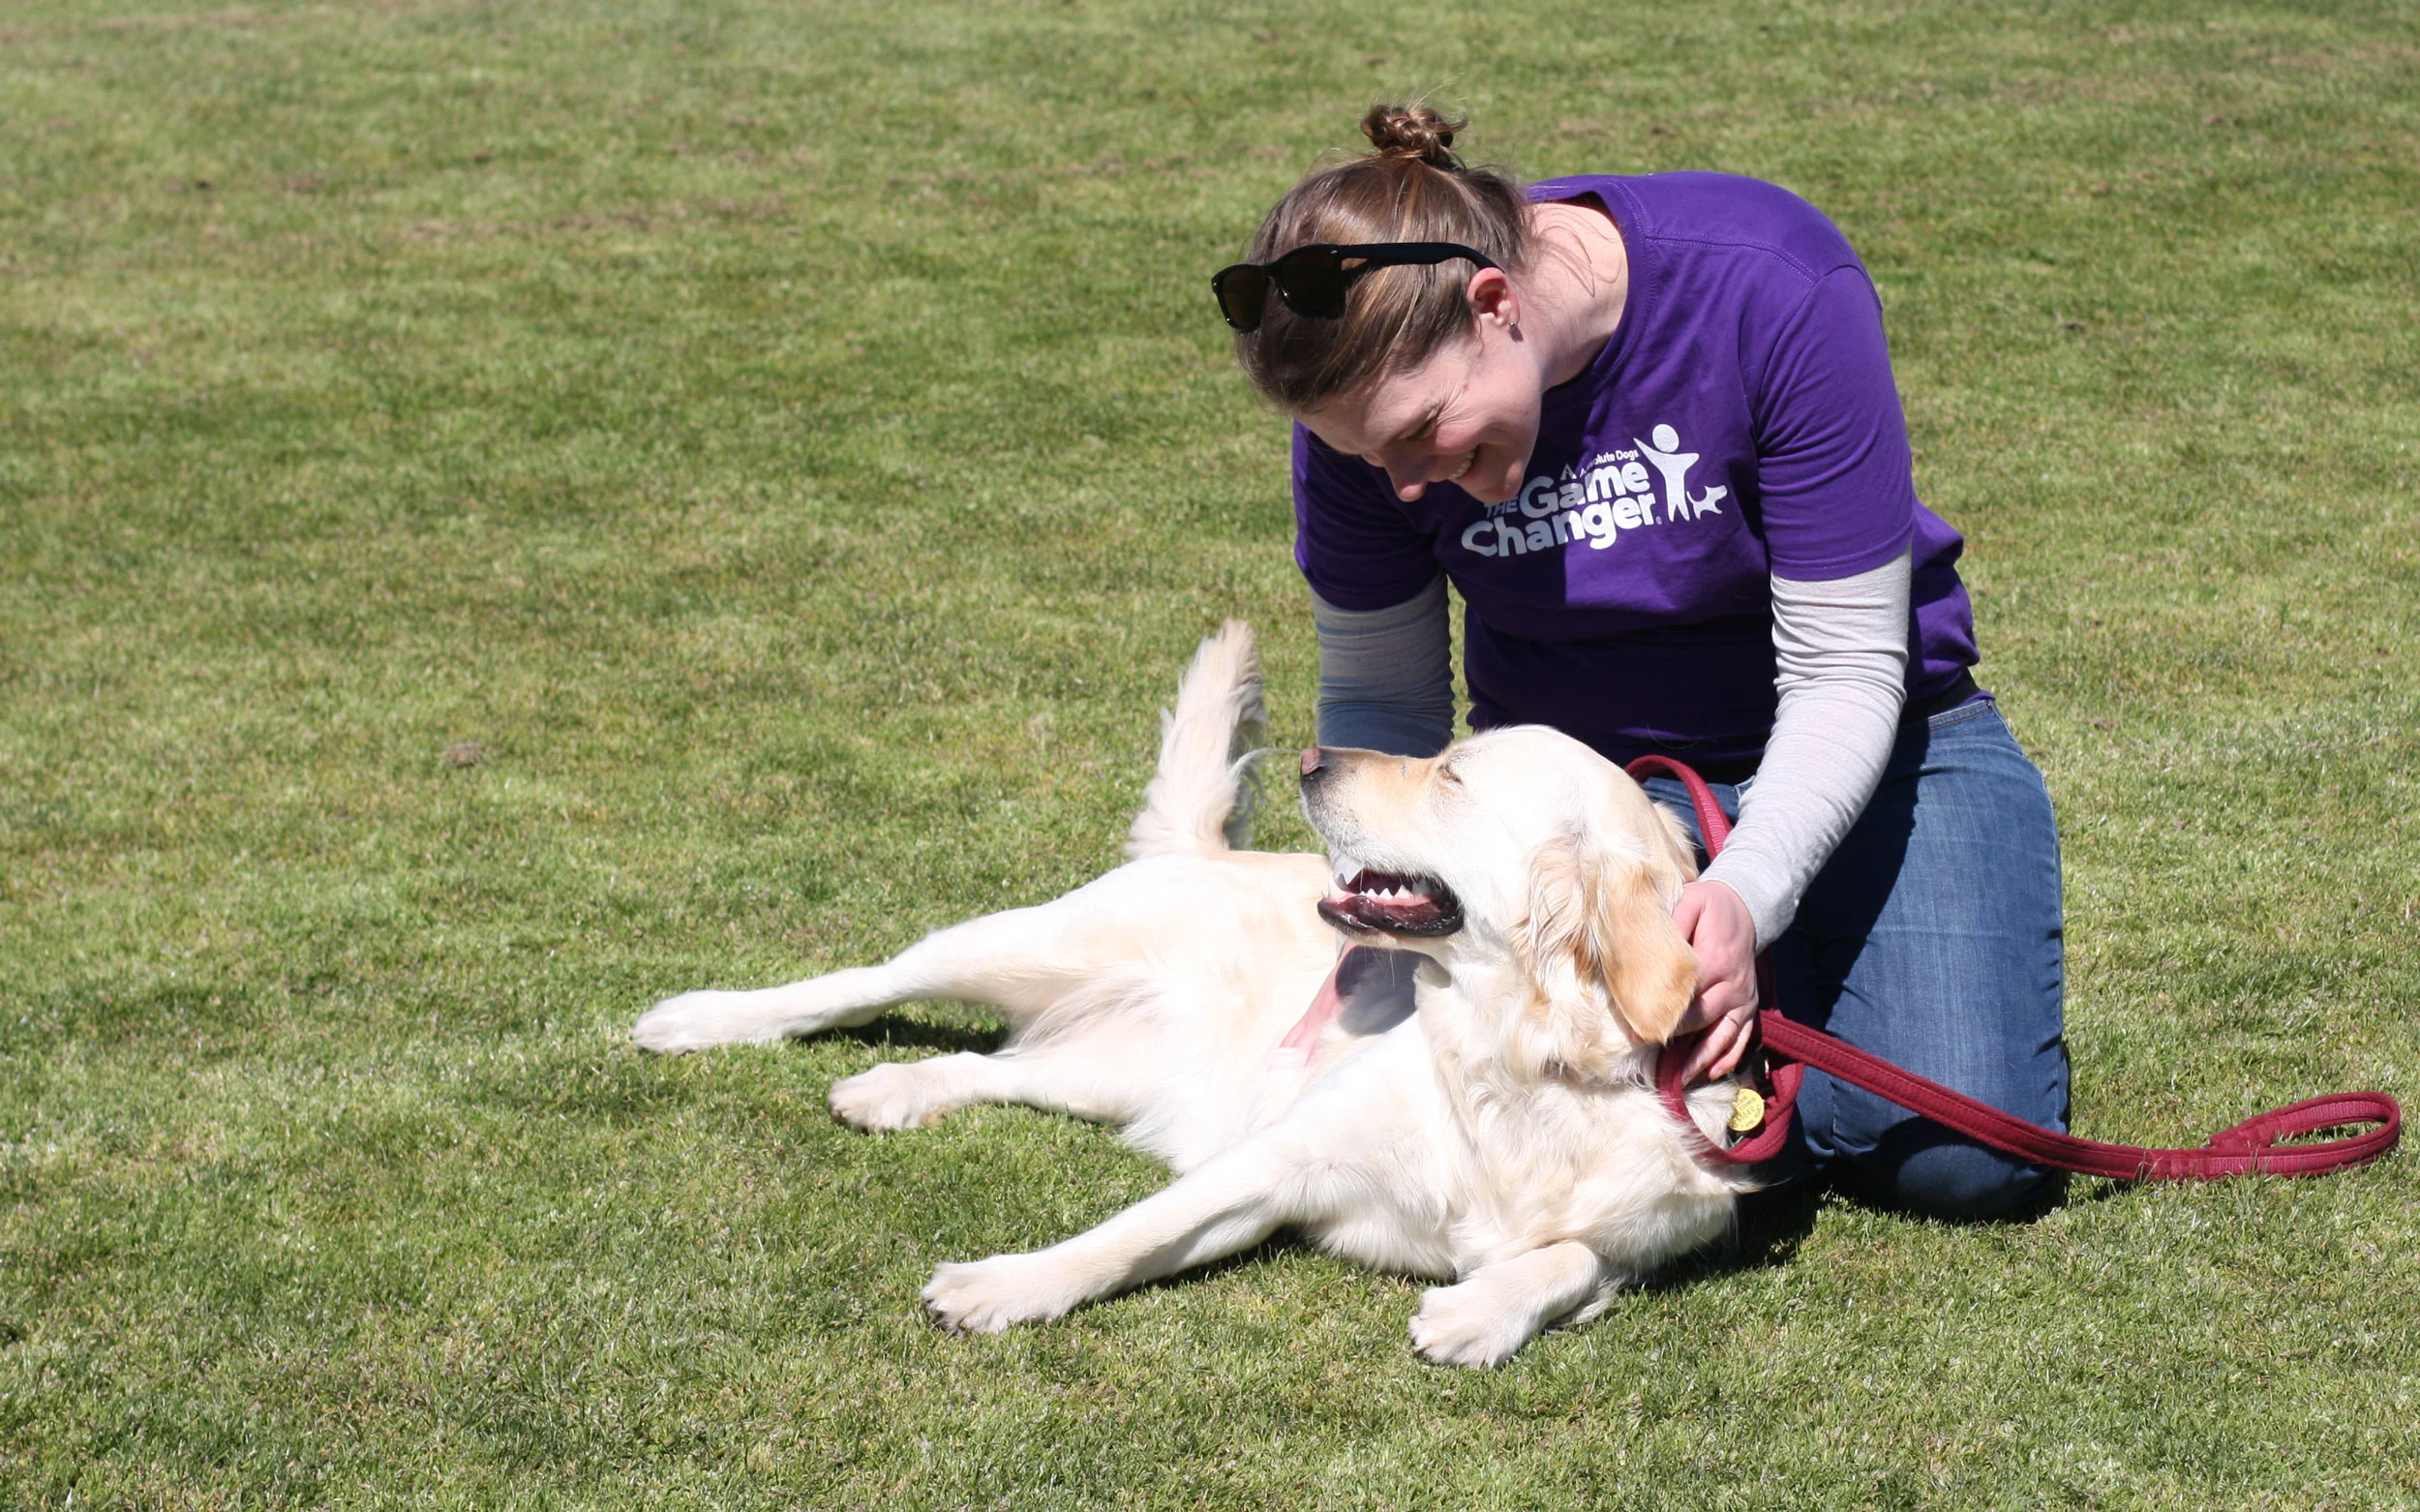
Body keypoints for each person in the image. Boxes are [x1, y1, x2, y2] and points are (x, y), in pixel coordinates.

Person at [1214, 104, 2069, 1221]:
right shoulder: (1373, 415)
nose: (1408, 484)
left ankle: (1772, 1015)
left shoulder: (1767, 283)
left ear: (1493, 303)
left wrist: (1749, 895)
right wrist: (1382, 924)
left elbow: (1847, 670)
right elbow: (1389, 698)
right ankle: (1765, 1043)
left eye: (1427, 432)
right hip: (1596, 811)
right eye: (1372, 458)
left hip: (1880, 741)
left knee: (1965, 1159)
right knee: (1688, 1097)